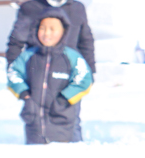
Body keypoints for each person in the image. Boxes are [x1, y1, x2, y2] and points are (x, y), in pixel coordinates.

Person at [7, 13, 94, 144]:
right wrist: (24, 94)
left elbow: (84, 79)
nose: (47, 33)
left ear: (63, 32)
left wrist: (64, 99)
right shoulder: (29, 56)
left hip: (62, 123)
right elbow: (13, 73)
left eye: (52, 29)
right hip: (34, 124)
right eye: (42, 28)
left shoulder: (71, 56)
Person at [7, 0, 96, 72]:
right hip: (37, 72)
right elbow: (16, 42)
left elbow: (86, 42)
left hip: (70, 70)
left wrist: (90, 71)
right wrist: (13, 70)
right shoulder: (30, 8)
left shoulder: (77, 8)